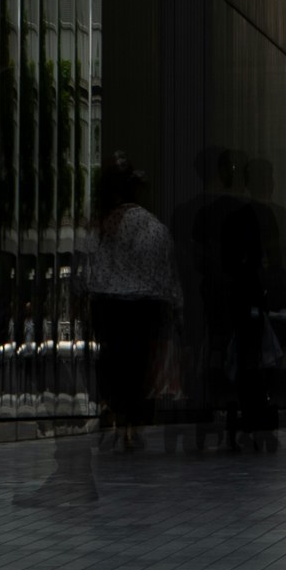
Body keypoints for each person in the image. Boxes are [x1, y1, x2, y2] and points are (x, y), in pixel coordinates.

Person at [84, 157, 182, 451]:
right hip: (143, 307)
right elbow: (164, 273)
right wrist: (174, 306)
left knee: (113, 360)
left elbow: (87, 270)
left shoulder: (101, 226)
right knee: (139, 364)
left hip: (107, 304)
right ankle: (132, 425)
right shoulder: (153, 227)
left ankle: (112, 408)